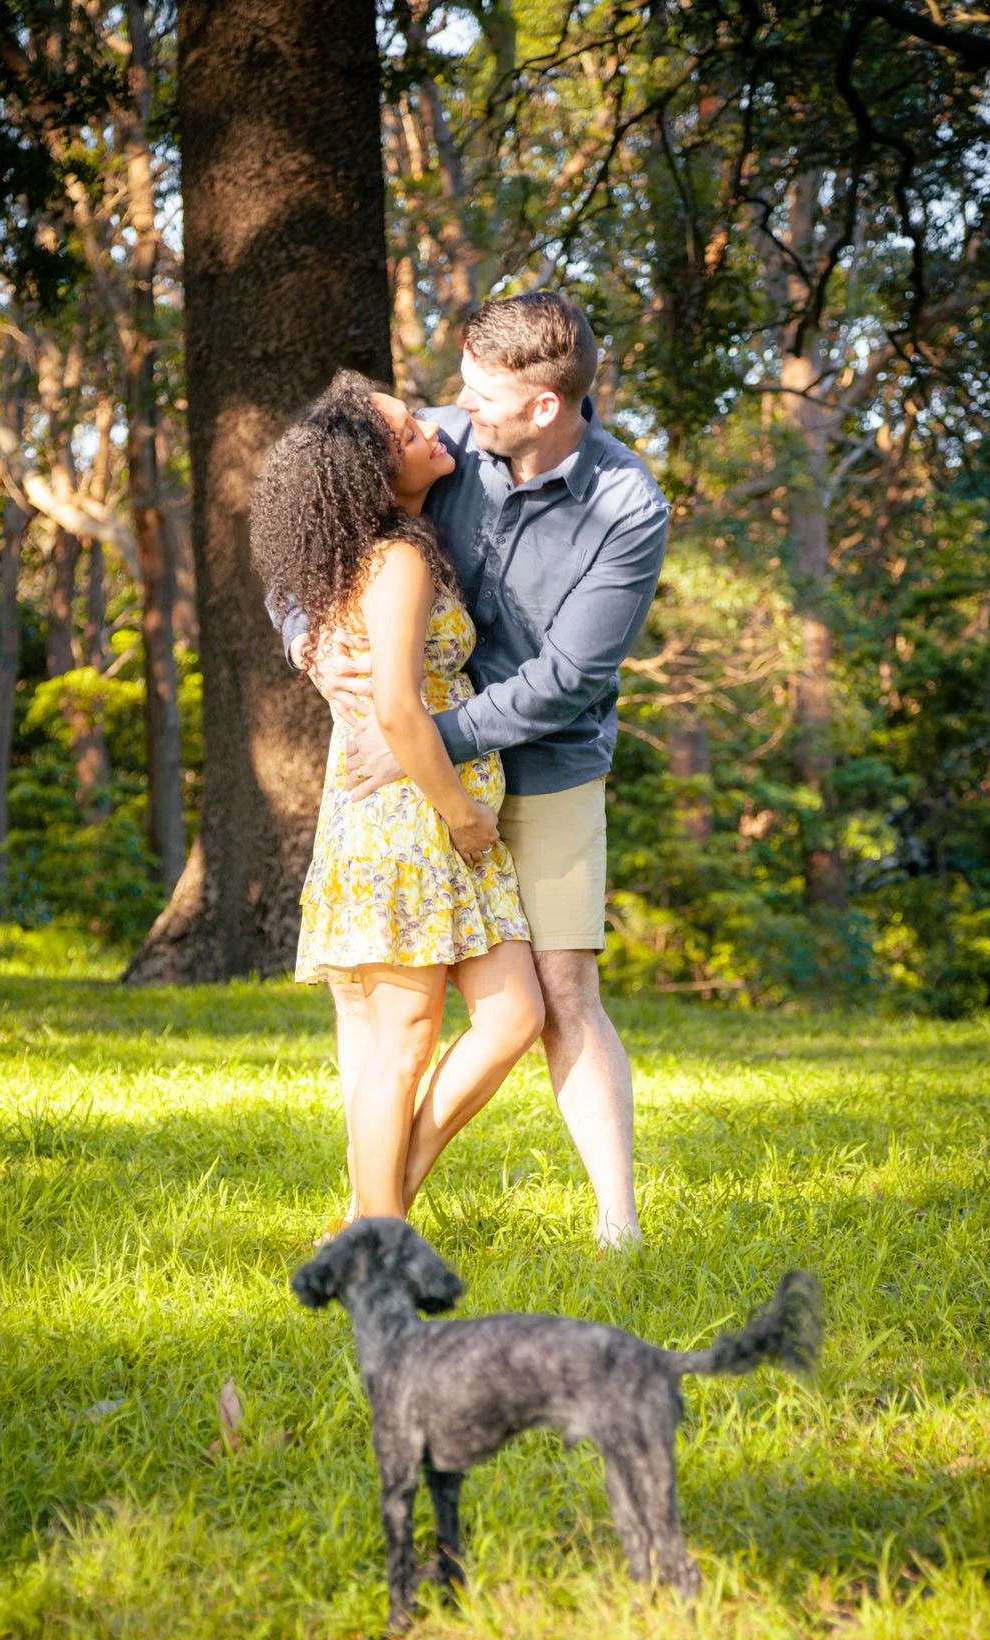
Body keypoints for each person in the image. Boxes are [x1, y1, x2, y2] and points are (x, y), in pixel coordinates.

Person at [284, 293, 669, 1247]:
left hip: (542, 764)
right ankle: (377, 1211)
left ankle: (614, 1222)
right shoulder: (442, 443)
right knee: (392, 1019)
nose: (456, 405)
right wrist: (304, 641)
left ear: (544, 407)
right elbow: (311, 528)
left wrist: (429, 737)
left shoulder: (626, 504)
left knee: (561, 989)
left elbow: (572, 676)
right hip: (413, 778)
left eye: (481, 391)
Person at [250, 373, 544, 1220]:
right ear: (374, 474)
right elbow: (397, 708)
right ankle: (378, 1234)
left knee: (511, 1014)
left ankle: (370, 1216)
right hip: (416, 817)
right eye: (407, 429)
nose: (428, 429)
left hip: (424, 814)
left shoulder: (362, 552)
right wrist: (465, 819)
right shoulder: (400, 558)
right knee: (402, 1043)